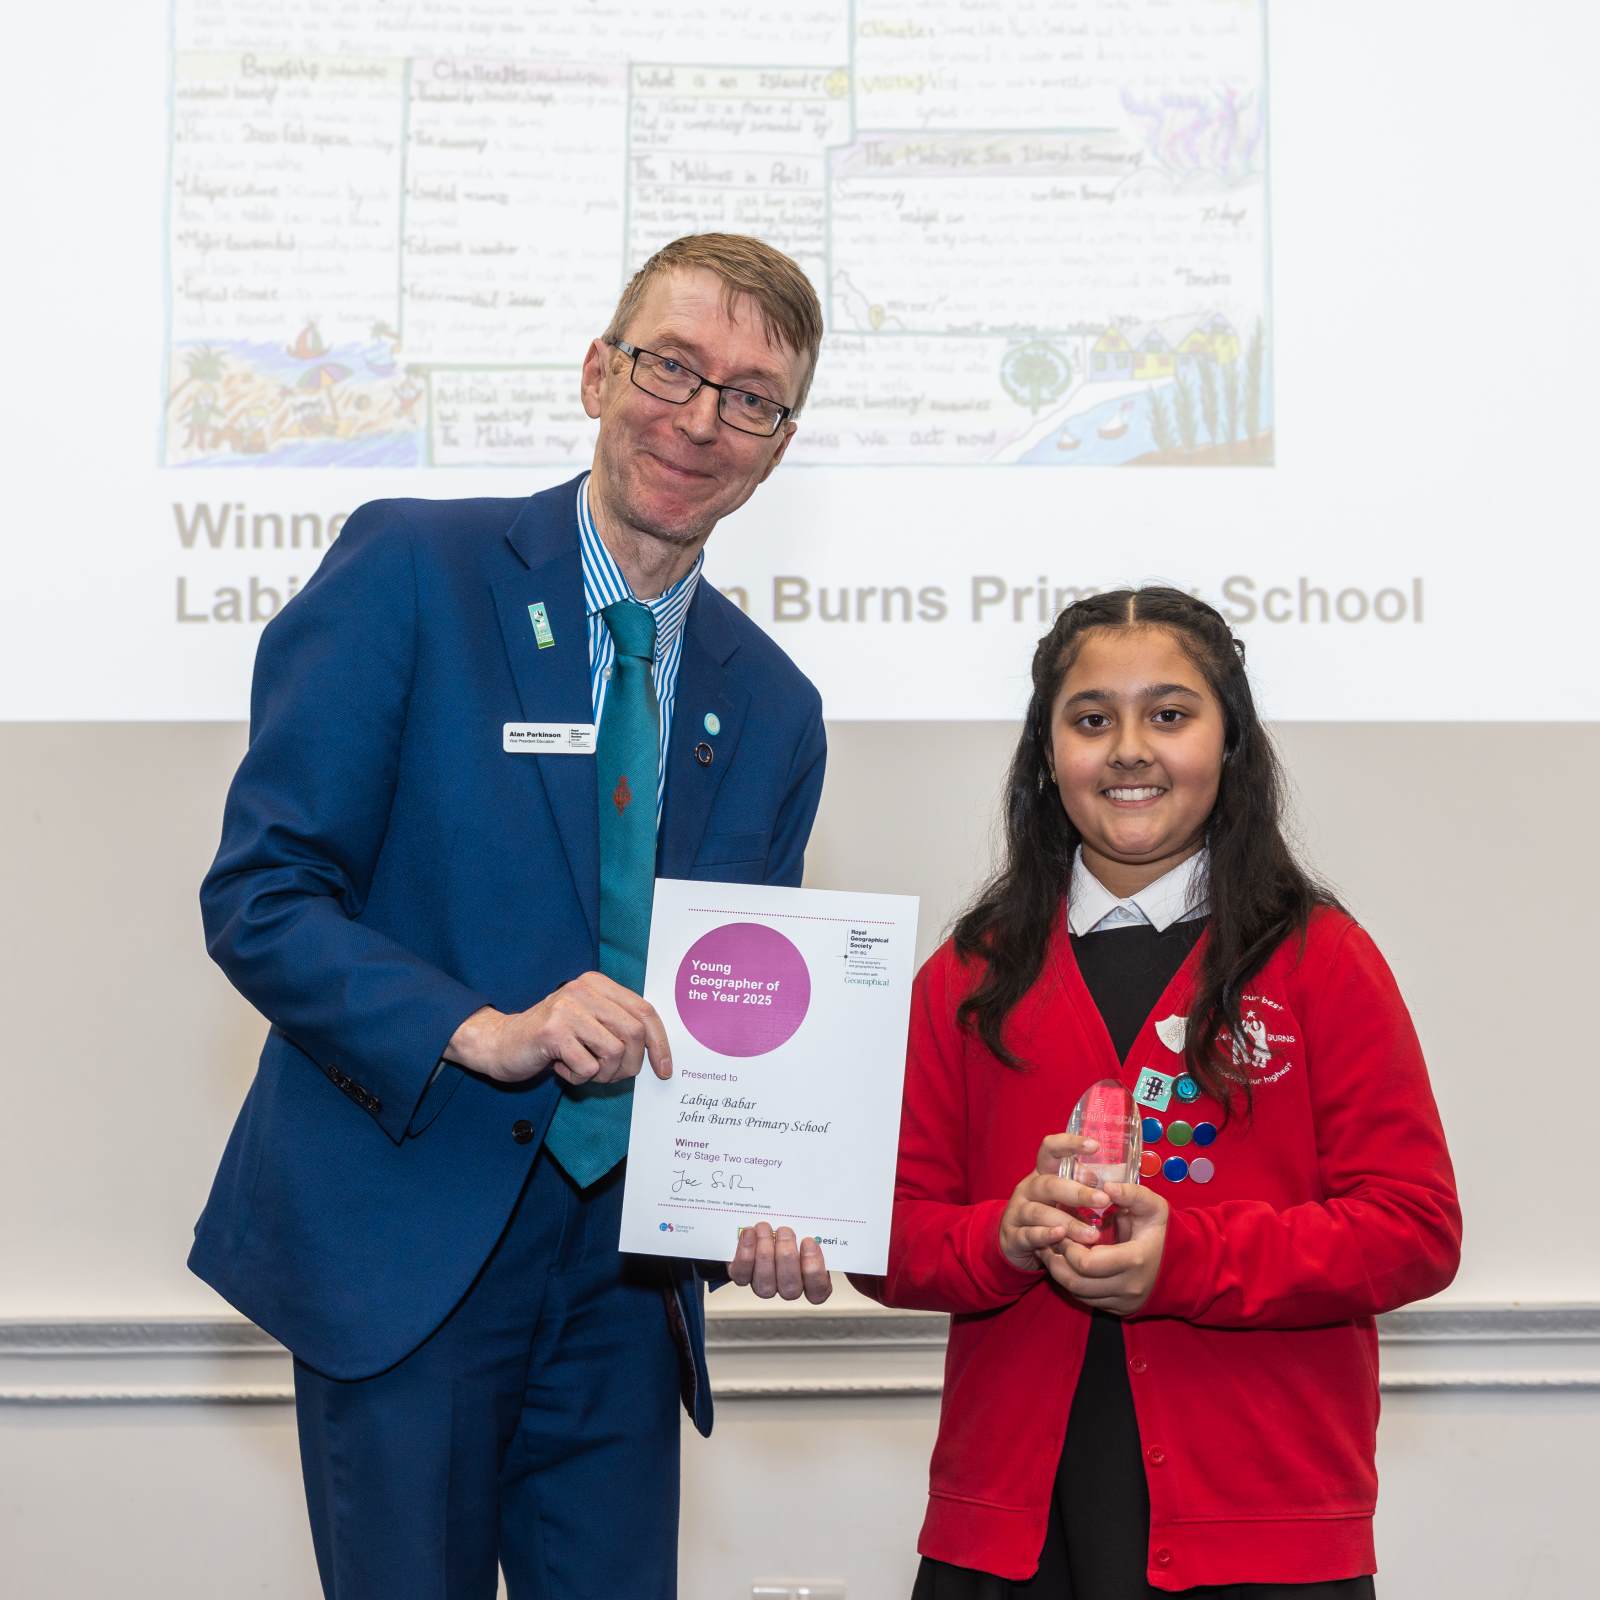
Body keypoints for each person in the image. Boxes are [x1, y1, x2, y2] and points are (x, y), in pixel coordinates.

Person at [190, 233, 834, 1600]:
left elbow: (743, 1013)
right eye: (672, 367)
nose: (700, 420)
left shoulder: (775, 707)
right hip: (408, 1248)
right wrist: (476, 1028)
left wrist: (763, 1197)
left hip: (626, 1286)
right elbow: (261, 895)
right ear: (598, 373)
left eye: (750, 398)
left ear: (778, 447)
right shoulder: (414, 571)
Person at [856, 588, 1461, 1597]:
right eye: (1091, 719)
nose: (1129, 750)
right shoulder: (966, 976)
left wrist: (1191, 1258)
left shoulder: (1321, 960)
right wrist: (1001, 1237)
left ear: (1231, 744)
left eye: (1169, 715)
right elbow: (882, 1234)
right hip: (1010, 1531)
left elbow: (1415, 1228)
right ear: (1046, 755)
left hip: (1261, 1525)